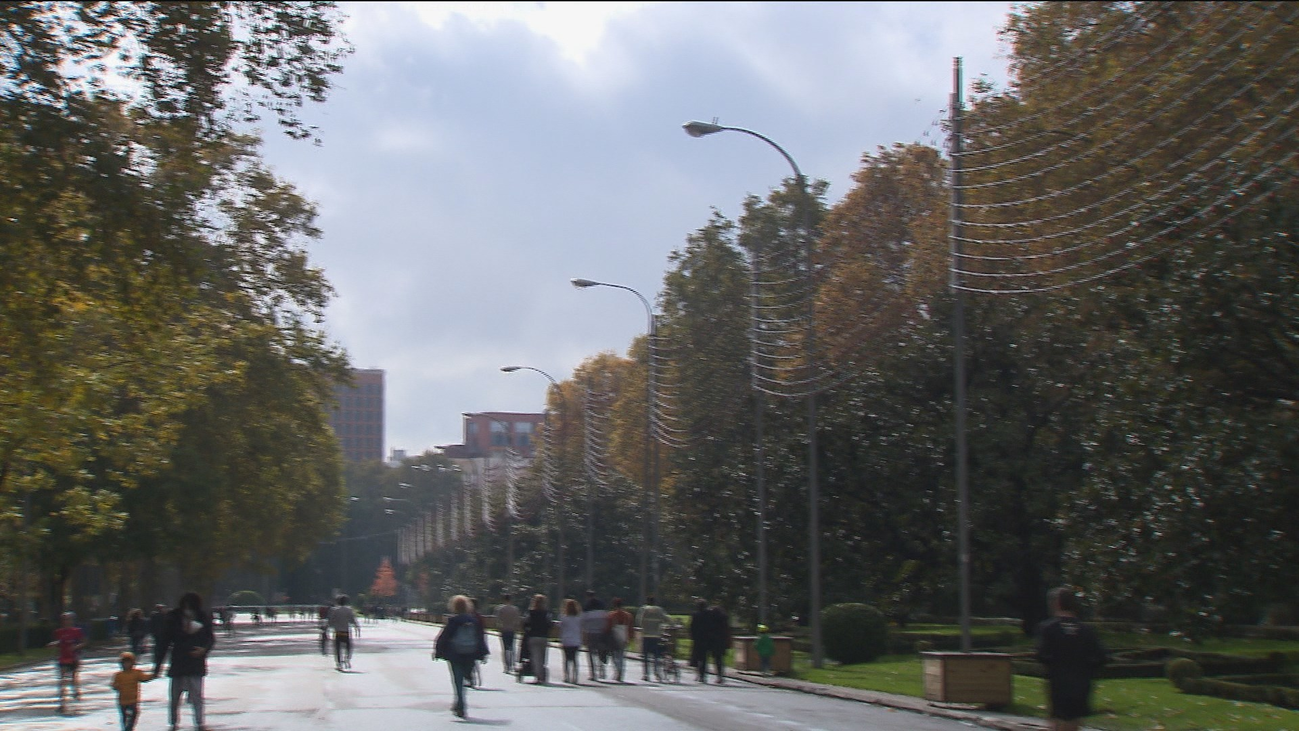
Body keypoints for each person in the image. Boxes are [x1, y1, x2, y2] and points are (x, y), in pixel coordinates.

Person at [1035, 586, 1107, 731]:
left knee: (1057, 720)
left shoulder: (1048, 628)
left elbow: (1041, 655)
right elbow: (1101, 656)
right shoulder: (1087, 630)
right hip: (1081, 683)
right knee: (1074, 720)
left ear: (1056, 604)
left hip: (1058, 682)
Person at [153, 591, 216, 731]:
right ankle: (174, 722)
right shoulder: (173, 618)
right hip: (179, 661)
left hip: (194, 661)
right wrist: (157, 665)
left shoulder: (202, 617)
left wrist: (203, 650)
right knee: (176, 696)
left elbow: (210, 639)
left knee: (197, 695)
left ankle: (199, 722)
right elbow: (164, 642)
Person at [433, 594, 488, 719]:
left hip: (455, 653)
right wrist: (483, 653)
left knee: (457, 679)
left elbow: (444, 637)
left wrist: (438, 651)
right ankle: (461, 699)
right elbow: (480, 637)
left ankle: (460, 702)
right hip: (470, 653)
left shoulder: (453, 621)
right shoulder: (474, 621)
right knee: (465, 675)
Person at [49, 611, 87, 712]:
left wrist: (75, 647)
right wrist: (53, 644)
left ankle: (75, 690)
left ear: (72, 620)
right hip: (63, 658)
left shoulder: (77, 631)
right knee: (62, 680)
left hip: (73, 657)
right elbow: (59, 642)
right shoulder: (59, 632)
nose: (67, 621)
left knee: (74, 677)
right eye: (65, 619)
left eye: (69, 619)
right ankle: (62, 701)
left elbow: (84, 642)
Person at [111, 651, 155, 731]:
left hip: (133, 700)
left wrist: (153, 675)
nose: (126, 664)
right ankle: (126, 728)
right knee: (124, 717)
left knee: (134, 714)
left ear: (133, 663)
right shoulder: (118, 675)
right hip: (122, 701)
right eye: (124, 663)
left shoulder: (136, 673)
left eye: (128, 662)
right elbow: (114, 685)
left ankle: (129, 728)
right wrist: (115, 686)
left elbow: (144, 678)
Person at [635, 595, 670, 681]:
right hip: (656, 635)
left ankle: (646, 675)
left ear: (647, 601)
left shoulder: (644, 609)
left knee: (646, 657)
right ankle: (657, 673)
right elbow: (666, 619)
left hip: (646, 635)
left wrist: (643, 626)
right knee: (656, 656)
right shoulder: (659, 610)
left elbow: (639, 621)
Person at [522, 593, 552, 685]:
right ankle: (541, 674)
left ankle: (538, 676)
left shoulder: (530, 613)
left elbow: (525, 623)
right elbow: (549, 624)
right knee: (542, 657)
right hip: (543, 637)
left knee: (535, 657)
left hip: (533, 636)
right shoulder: (547, 613)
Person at [580, 590, 608, 681]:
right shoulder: (602, 605)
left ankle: (593, 673)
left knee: (591, 654)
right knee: (601, 652)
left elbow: (582, 621)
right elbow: (606, 618)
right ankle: (602, 670)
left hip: (591, 632)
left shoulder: (586, 607)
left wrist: (583, 633)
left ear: (587, 596)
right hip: (601, 632)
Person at [327, 594, 361, 671]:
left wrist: (328, 629)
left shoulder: (335, 610)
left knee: (337, 648)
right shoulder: (349, 610)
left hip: (338, 632)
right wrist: (357, 628)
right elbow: (353, 620)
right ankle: (347, 658)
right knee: (349, 647)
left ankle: (339, 663)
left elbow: (331, 621)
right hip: (346, 632)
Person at [605, 598, 635, 682]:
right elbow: (630, 628)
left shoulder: (611, 615)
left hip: (615, 638)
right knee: (621, 656)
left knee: (614, 656)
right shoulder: (628, 615)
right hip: (624, 637)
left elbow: (608, 627)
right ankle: (621, 671)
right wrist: (630, 637)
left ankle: (617, 671)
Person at [558, 598, 584, 684]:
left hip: (566, 640)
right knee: (574, 659)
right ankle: (575, 677)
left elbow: (561, 628)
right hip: (576, 640)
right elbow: (581, 629)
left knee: (566, 659)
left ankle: (566, 676)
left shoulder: (564, 618)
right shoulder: (579, 618)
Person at [495, 593, 521, 674]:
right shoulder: (515, 609)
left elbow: (498, 620)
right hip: (512, 630)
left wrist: (499, 628)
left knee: (505, 648)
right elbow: (517, 621)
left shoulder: (500, 609)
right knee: (512, 647)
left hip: (504, 630)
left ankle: (506, 666)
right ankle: (512, 664)